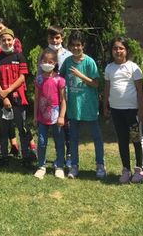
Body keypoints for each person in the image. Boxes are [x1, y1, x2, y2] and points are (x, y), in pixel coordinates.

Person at [59, 30, 105, 179]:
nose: (75, 48)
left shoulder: (89, 62)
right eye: (72, 45)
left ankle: (100, 165)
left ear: (83, 46)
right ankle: (74, 166)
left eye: (78, 45)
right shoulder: (67, 62)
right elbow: (60, 79)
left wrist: (80, 76)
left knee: (96, 137)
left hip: (89, 105)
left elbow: (96, 83)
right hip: (73, 107)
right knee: (73, 138)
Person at [103, 36, 143, 183]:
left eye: (121, 48)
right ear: (111, 51)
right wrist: (105, 106)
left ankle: (140, 169)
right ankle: (126, 169)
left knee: (135, 138)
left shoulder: (134, 68)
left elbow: (140, 90)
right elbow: (107, 88)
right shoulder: (109, 68)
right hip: (116, 110)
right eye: (115, 48)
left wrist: (141, 110)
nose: (118, 51)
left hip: (132, 111)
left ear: (127, 50)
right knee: (122, 139)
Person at [0, 28, 31, 166]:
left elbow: (22, 77)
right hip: (2, 99)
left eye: (9, 40)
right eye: (3, 40)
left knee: (22, 128)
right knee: (3, 129)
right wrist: (3, 96)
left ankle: (26, 156)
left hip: (18, 99)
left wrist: (8, 90)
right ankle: (4, 156)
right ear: (0, 41)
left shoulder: (19, 56)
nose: (7, 42)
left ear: (13, 41)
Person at [33, 49, 66, 179]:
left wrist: (62, 116)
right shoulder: (39, 80)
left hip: (56, 117)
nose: (47, 64)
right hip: (42, 117)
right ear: (41, 62)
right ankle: (41, 166)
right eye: (44, 61)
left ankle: (59, 166)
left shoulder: (60, 80)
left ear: (55, 63)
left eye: (50, 62)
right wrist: (35, 116)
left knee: (59, 141)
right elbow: (36, 99)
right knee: (41, 142)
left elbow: (63, 100)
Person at [45, 25, 72, 168]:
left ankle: (69, 155)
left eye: (57, 37)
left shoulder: (67, 54)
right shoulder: (44, 54)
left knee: (67, 126)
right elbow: (40, 75)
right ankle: (58, 155)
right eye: (51, 38)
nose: (54, 41)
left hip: (66, 96)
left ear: (62, 38)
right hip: (51, 98)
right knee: (56, 128)